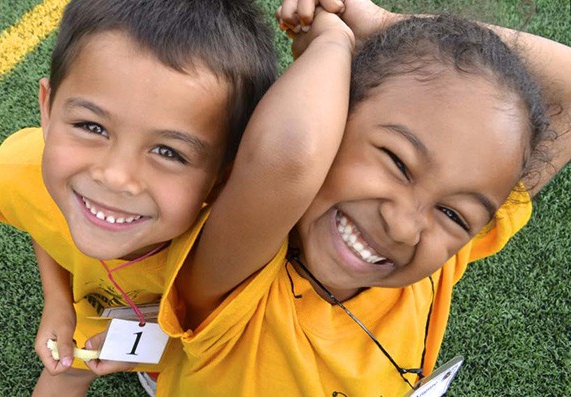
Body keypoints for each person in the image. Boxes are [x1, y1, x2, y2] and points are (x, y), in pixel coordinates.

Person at [148, 3, 571, 397]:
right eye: (398, 162)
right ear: (334, 117)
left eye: (452, 214)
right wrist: (332, 40)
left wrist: (384, 25)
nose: (404, 227)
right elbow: (292, 154)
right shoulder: (239, 278)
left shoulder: (432, 273)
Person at [0, 0, 277, 395]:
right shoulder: (17, 172)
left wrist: (164, 342)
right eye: (91, 126)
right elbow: (40, 220)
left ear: (224, 175)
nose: (116, 177)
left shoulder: (232, 246)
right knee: (67, 370)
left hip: (202, 351)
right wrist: (57, 301)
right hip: (99, 324)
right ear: (48, 109)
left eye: (168, 152)